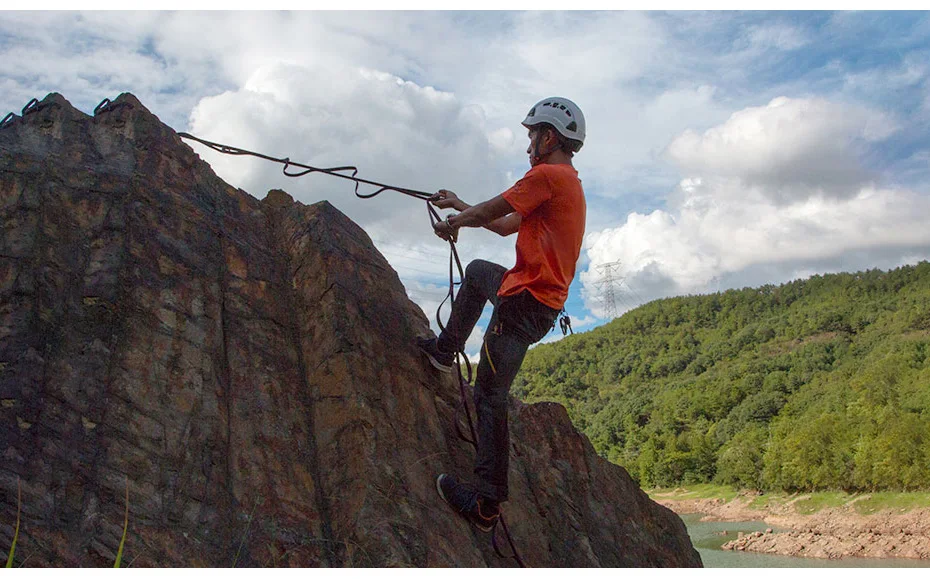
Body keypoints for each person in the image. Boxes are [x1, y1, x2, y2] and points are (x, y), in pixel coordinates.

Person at [418, 97, 587, 532]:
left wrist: (456, 222)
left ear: (548, 137)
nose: (529, 142)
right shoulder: (563, 182)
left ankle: (486, 503)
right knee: (477, 273)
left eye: (533, 134)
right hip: (532, 300)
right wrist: (459, 206)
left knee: (490, 397)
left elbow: (490, 213)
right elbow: (503, 224)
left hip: (523, 304)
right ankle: (444, 351)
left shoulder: (548, 174)